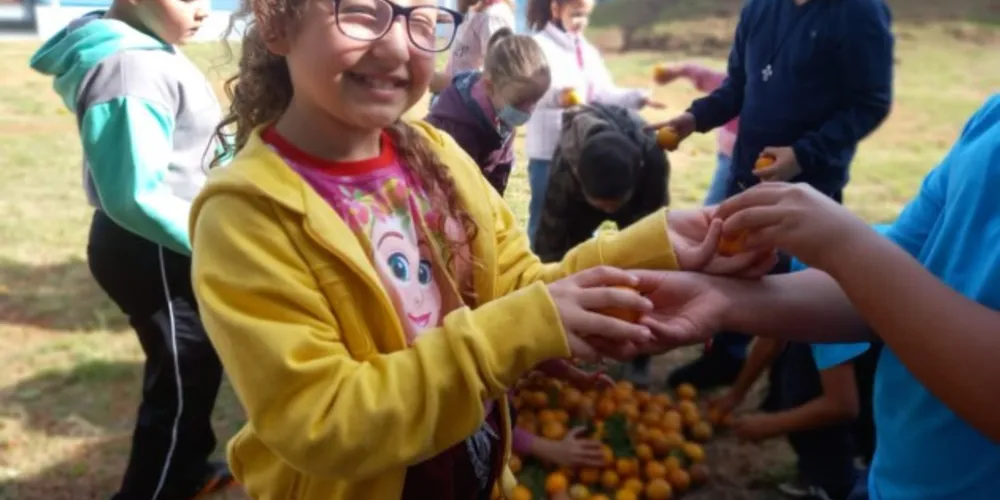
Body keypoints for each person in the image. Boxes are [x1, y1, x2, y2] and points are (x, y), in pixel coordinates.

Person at [189, 0, 769, 498]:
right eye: (361, 11)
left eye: (421, 19)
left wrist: (656, 249)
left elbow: (516, 287)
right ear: (276, 23)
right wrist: (516, 334)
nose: (396, 47)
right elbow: (324, 419)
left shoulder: (436, 154)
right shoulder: (247, 214)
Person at [636, 94, 1000, 500]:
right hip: (896, 477)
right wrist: (721, 298)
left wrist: (844, 247)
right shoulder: (992, 117)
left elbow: (875, 274)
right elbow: (894, 276)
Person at [28, 3, 234, 500]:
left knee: (194, 368)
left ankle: (186, 467)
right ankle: (157, 487)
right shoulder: (129, 67)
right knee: (183, 378)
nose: (204, 10)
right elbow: (134, 196)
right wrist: (213, 240)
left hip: (164, 243)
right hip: (156, 247)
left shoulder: (146, 47)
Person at [653, 0, 894, 390]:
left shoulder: (859, 12)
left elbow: (870, 103)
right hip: (748, 171)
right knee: (733, 265)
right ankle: (725, 358)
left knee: (794, 282)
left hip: (810, 184)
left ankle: (791, 383)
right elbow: (737, 88)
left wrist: (803, 155)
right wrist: (694, 119)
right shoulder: (759, 9)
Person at [522, 0, 662, 243]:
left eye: (585, 16)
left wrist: (637, 97)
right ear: (556, 9)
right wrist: (558, 96)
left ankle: (583, 275)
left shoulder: (586, 51)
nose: (581, 22)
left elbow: (603, 94)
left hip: (582, 154)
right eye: (575, 14)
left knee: (584, 227)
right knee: (545, 227)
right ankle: (541, 277)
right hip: (548, 156)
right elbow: (528, 92)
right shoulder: (537, 47)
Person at [532, 103, 669, 264]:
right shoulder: (566, 167)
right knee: (568, 253)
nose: (609, 211)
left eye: (614, 205)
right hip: (580, 199)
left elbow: (653, 237)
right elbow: (551, 236)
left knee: (643, 251)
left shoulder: (653, 161)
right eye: (602, 205)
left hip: (637, 193)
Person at [426, 27, 549, 196]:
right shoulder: (457, 127)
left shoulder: (502, 111)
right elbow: (452, 189)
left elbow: (500, 169)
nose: (527, 110)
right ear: (489, 87)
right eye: (519, 102)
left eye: (535, 100)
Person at [653, 63, 738, 206]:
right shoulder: (735, 81)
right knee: (714, 209)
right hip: (730, 156)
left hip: (766, 158)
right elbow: (704, 75)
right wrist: (676, 71)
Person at [429, 0, 517, 98]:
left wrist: (446, 83)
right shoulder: (478, 9)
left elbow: (498, 77)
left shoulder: (493, 17)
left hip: (465, 105)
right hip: (454, 97)